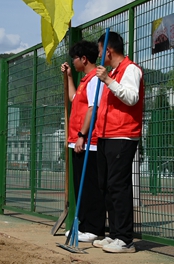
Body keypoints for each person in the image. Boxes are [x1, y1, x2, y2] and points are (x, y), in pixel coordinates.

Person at [92, 32, 144, 254]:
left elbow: (131, 97)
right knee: (106, 185)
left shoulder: (130, 69)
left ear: (108, 51)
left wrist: (108, 81)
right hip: (105, 135)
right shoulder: (112, 72)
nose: (98, 56)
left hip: (122, 136)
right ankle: (114, 234)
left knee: (118, 185)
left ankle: (125, 238)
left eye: (99, 51)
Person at [60, 40, 105, 243]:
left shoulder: (95, 79)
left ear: (84, 59)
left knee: (90, 187)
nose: (73, 61)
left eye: (75, 59)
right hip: (78, 141)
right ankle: (84, 226)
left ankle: (94, 228)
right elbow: (74, 98)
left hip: (88, 142)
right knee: (80, 186)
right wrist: (69, 76)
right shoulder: (85, 80)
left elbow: (92, 108)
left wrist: (82, 134)